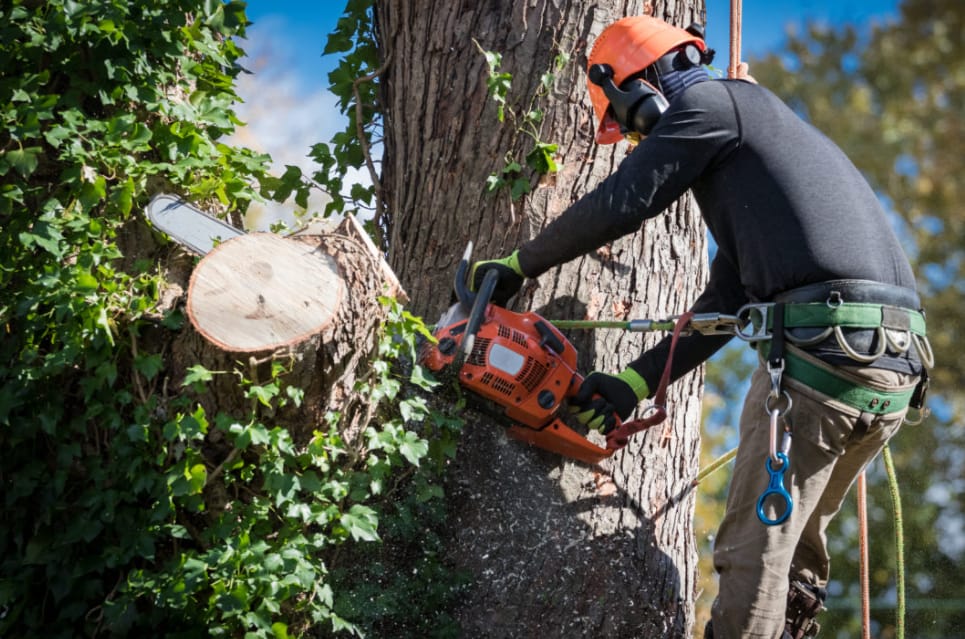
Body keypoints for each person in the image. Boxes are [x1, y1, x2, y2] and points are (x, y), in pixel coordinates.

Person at [469, 15, 930, 639]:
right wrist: (632, 383)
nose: (637, 143)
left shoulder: (713, 103)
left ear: (643, 87)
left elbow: (625, 200)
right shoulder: (757, 146)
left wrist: (518, 265)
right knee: (793, 558)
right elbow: (726, 305)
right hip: (888, 370)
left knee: (751, 558)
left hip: (826, 362)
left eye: (629, 125)